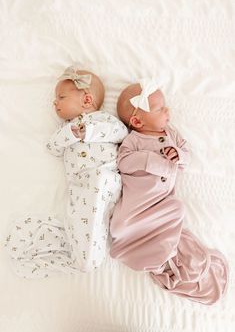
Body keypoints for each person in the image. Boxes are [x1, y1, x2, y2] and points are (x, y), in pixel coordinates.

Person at [109, 78, 228, 304]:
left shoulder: (171, 134)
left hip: (161, 203)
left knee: (176, 209)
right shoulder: (133, 140)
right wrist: (150, 160)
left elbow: (186, 156)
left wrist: (178, 155)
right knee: (121, 226)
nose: (167, 111)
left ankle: (161, 256)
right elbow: (123, 162)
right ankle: (148, 251)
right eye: (160, 108)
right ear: (137, 120)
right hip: (137, 206)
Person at [5, 66, 128, 277]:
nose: (55, 103)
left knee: (94, 208)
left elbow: (120, 132)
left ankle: (87, 257)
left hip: (104, 180)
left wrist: (89, 132)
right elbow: (52, 147)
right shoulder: (66, 129)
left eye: (61, 97)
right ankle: (81, 256)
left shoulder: (104, 120)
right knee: (79, 225)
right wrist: (70, 134)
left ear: (87, 100)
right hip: (80, 189)